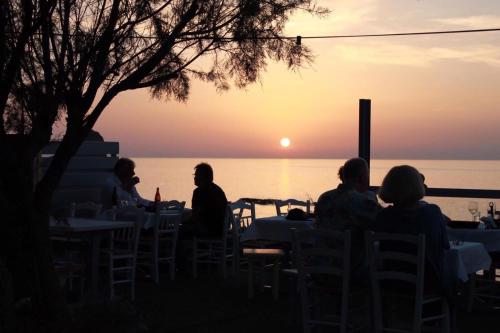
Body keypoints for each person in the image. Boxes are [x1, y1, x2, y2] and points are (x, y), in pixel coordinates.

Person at [375, 165, 451, 295]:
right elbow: (445, 245)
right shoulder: (432, 212)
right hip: (428, 284)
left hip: (390, 282)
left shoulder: (383, 216)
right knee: (453, 275)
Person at [315, 157, 380, 280]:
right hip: (348, 270)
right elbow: (383, 223)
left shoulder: (324, 197)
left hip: (319, 267)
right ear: (362, 178)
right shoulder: (361, 201)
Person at [190, 163, 228, 238]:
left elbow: (194, 217)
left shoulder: (198, 192)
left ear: (204, 177)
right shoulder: (218, 190)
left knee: (178, 231)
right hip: (222, 230)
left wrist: (179, 221)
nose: (194, 177)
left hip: (209, 231)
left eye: (197, 175)